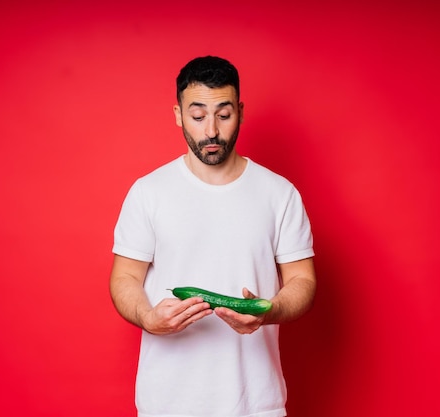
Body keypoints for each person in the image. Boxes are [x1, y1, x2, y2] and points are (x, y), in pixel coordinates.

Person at [109, 55, 316, 417]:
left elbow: (303, 280)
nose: (211, 131)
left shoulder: (279, 193)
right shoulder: (149, 192)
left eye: (223, 115)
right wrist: (147, 316)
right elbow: (125, 276)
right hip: (166, 405)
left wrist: (269, 311)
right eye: (198, 115)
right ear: (178, 114)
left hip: (257, 404)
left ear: (240, 110)